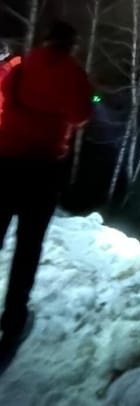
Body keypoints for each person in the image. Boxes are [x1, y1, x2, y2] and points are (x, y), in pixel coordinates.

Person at [0, 21, 93, 358]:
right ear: (71, 46)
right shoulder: (74, 74)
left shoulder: (22, 63)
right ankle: (12, 325)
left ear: (45, 39)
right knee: (27, 249)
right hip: (42, 171)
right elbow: (82, 113)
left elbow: (4, 90)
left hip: (5, 160)